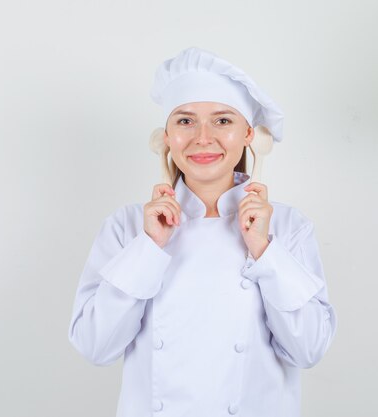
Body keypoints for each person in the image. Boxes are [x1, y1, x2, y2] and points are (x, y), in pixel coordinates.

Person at [68, 47, 337, 417]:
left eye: (223, 121)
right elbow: (95, 347)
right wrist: (149, 247)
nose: (203, 138)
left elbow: (308, 349)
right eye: (185, 121)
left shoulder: (288, 227)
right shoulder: (127, 227)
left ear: (248, 134)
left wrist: (264, 251)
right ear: (165, 136)